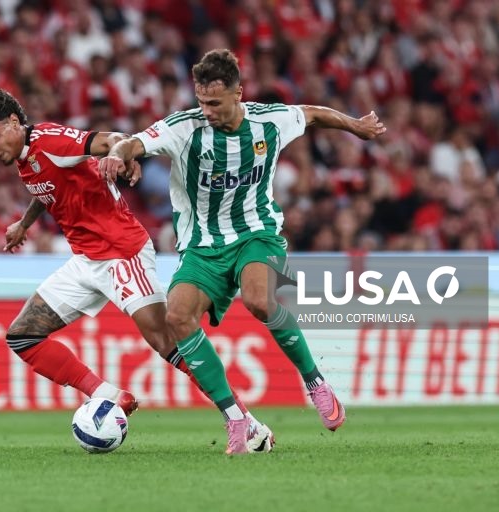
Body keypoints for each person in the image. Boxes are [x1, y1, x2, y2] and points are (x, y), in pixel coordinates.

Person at [0, 88, 273, 454]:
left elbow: (112, 139)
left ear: (14, 123)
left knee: (167, 341)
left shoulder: (51, 140)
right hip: (86, 260)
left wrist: (117, 155)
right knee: (22, 336)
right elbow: (49, 187)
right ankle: (107, 395)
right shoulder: (25, 156)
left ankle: (247, 423)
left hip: (122, 253)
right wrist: (24, 223)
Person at [100, 49, 386, 435]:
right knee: (178, 316)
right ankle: (235, 419)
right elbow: (133, 142)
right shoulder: (183, 128)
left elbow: (314, 113)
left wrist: (355, 126)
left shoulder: (270, 121)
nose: (207, 111)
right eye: (201, 102)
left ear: (238, 94)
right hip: (202, 244)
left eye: (215, 103)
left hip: (256, 232)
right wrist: (118, 156)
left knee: (259, 298)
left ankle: (316, 383)